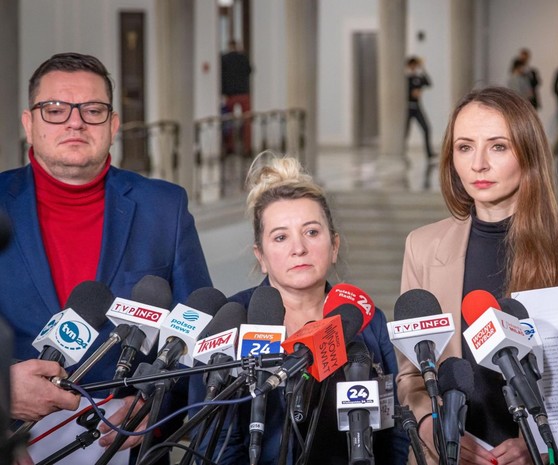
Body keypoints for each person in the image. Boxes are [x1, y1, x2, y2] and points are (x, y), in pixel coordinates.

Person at [0, 52, 212, 463]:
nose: (75, 122)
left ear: (113, 125)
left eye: (92, 110)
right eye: (55, 110)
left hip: (128, 446)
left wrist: (156, 407)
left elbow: (200, 335)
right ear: (29, 123)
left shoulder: (164, 208)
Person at [398, 87, 558, 465]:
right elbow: (410, 378)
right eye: (464, 147)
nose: (478, 164)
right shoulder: (422, 247)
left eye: (498, 147)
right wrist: (432, 428)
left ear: (528, 152)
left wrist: (543, 444)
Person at [196, 154, 409, 465]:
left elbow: (395, 430)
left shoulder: (365, 319)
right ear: (261, 255)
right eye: (281, 237)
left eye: (311, 232)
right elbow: (215, 441)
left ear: (334, 246)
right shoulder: (233, 320)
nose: (299, 248)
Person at [405, 56, 437, 189]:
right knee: (404, 133)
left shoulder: (417, 78)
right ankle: (401, 153)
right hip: (407, 108)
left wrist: (422, 69)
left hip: (417, 108)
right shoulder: (405, 78)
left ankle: (429, 153)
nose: (414, 68)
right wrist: (411, 92)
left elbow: (428, 83)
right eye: (413, 65)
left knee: (426, 128)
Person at [221, 39, 253, 156]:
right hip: (243, 93)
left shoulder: (224, 59)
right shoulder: (243, 57)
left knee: (229, 121)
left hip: (231, 94)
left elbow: (222, 75)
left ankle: (230, 147)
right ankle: (247, 148)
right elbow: (249, 71)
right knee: (247, 121)